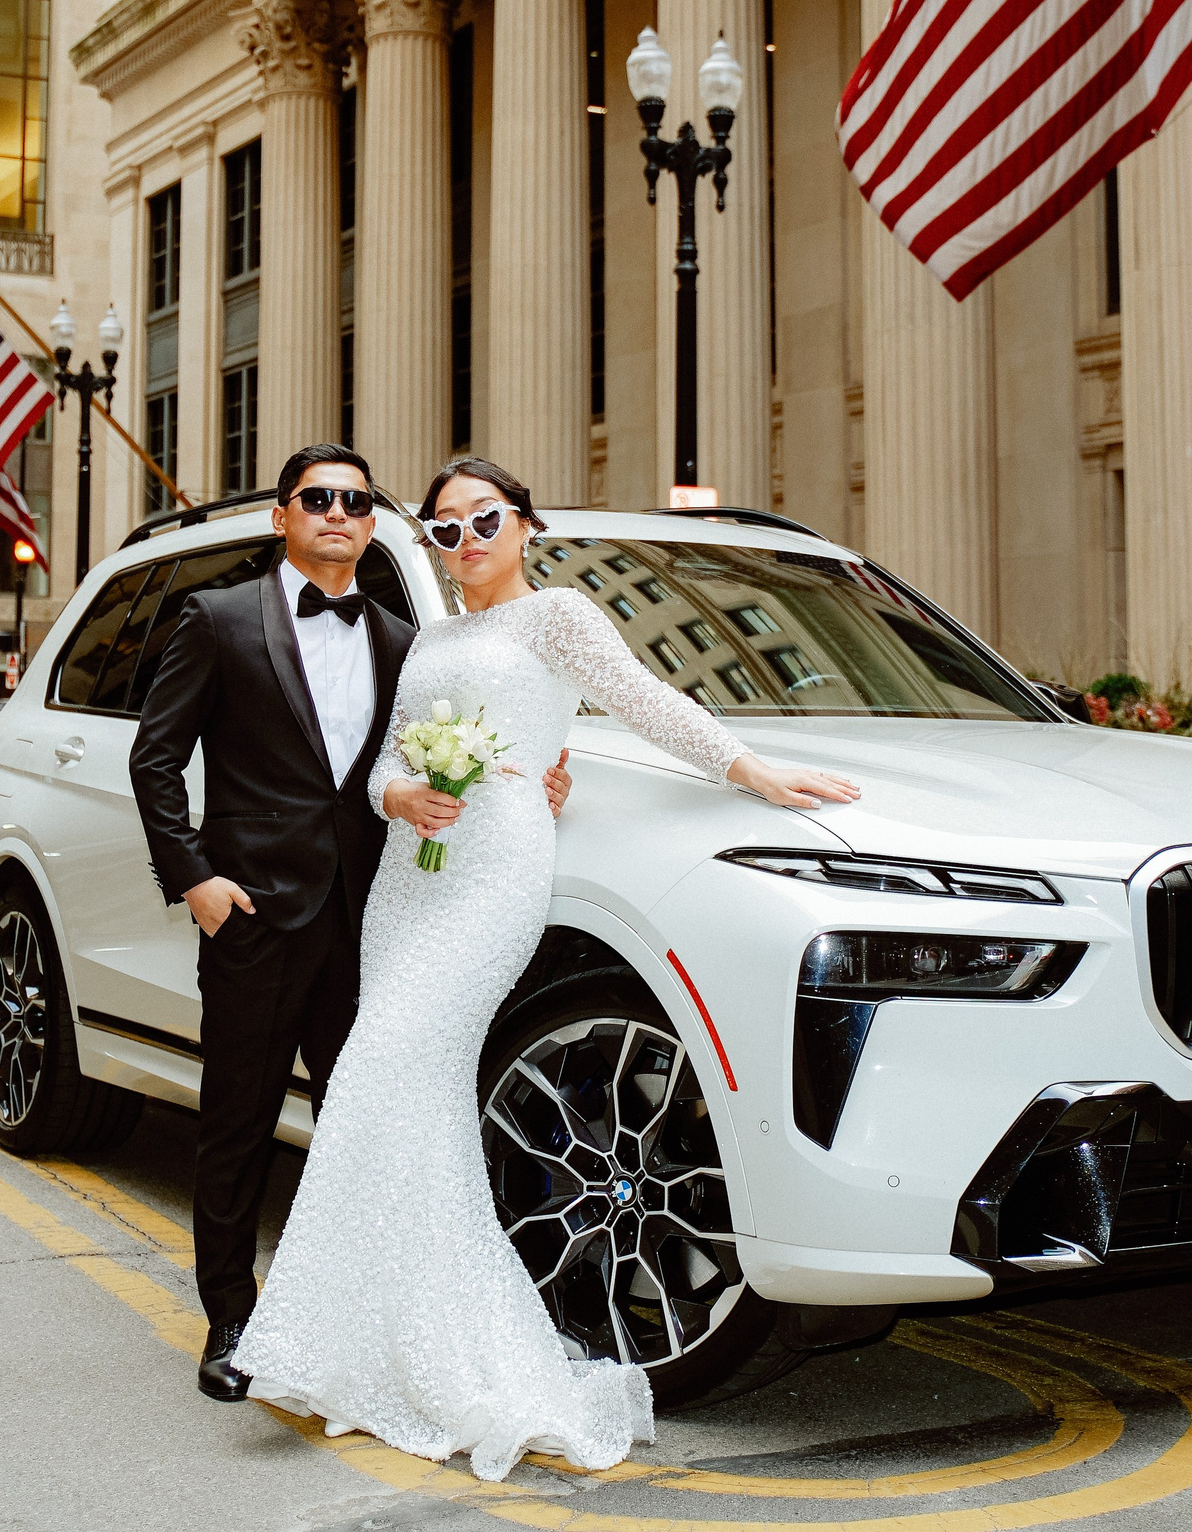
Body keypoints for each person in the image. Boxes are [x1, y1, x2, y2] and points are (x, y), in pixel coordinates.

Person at [228, 457, 859, 1480]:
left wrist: (748, 768)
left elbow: (643, 698)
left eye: (484, 520)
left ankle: (448, 1349)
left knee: (388, 1066)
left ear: (524, 524)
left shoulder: (557, 615)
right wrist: (400, 797)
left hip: (495, 870)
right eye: (443, 530)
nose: (465, 540)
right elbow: (389, 755)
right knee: (394, 1093)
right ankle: (371, 1340)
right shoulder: (433, 636)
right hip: (409, 879)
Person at [128, 444, 574, 1405]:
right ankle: (230, 1323)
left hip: (372, 918)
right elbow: (154, 761)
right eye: (317, 498)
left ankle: (354, 1326)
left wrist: (540, 773)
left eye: (356, 501)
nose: (338, 512)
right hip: (249, 914)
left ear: (372, 524)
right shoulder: (218, 619)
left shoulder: (403, 639)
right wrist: (196, 880)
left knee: (361, 1123)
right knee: (235, 1124)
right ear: (281, 517)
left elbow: (441, 750)